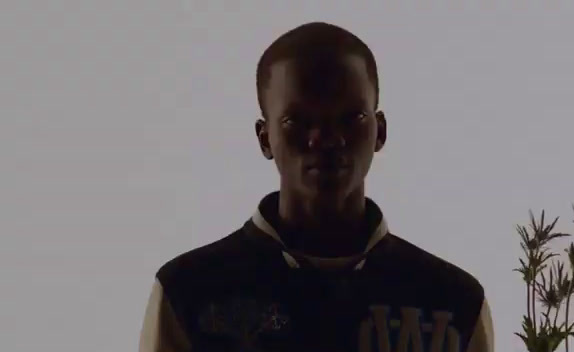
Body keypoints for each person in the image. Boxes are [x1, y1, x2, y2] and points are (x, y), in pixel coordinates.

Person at [139, 22, 494, 352]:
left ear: (380, 131)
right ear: (265, 138)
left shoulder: (454, 303)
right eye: (298, 120)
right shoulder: (188, 293)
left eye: (351, 117)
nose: (326, 139)